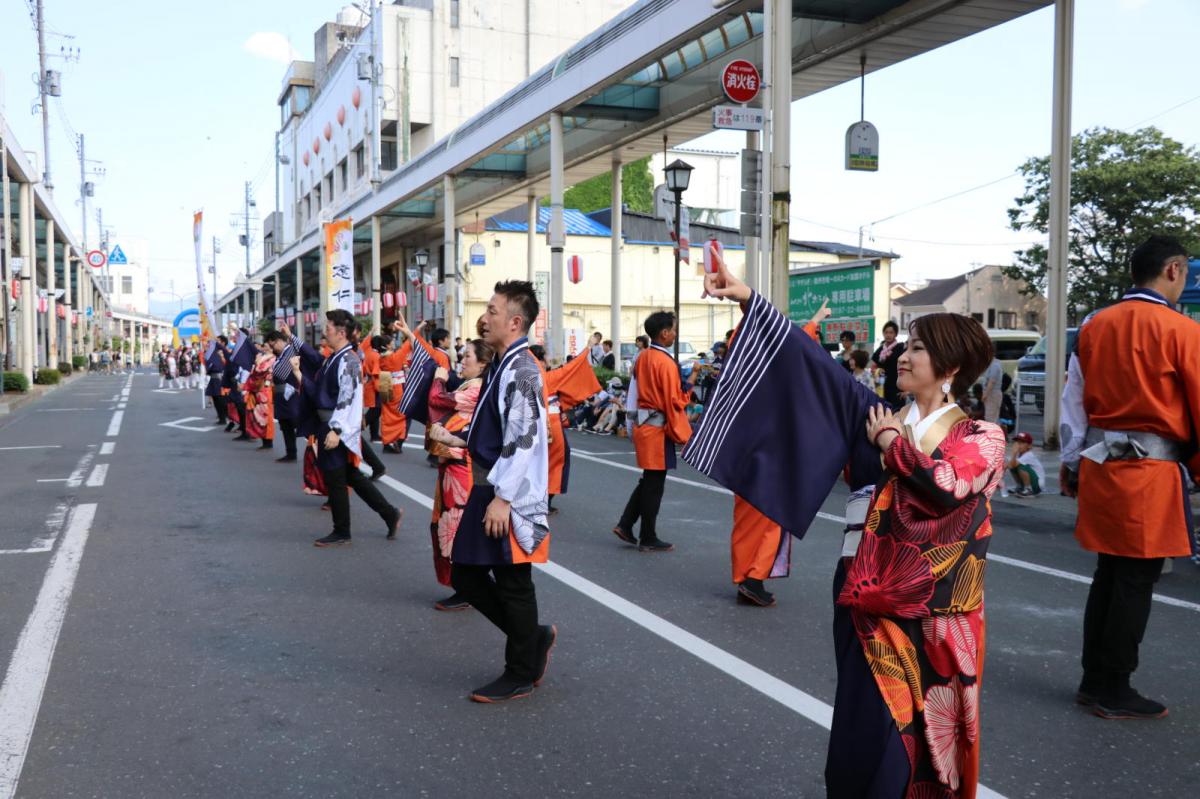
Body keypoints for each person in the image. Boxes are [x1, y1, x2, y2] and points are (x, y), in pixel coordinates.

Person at [692, 257, 1003, 798]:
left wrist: (890, 444)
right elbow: (812, 366)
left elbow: (949, 484)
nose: (902, 356)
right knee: (861, 734)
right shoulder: (877, 414)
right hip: (863, 596)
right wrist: (748, 299)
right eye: (906, 346)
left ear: (950, 366)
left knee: (913, 741)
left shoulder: (980, 436)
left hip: (934, 615)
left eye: (917, 348)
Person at [1060, 234, 1200, 721]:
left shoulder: (1093, 325)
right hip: (1150, 471)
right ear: (1173, 270)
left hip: (1101, 464)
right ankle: (1115, 686)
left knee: (1109, 573)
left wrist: (1072, 463)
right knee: (1136, 579)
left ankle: (1093, 680)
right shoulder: (1181, 330)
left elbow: (1073, 401)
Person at [450, 281, 555, 703]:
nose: (484, 317)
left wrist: (504, 498)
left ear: (514, 322)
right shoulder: (502, 363)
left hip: (506, 489)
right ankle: (532, 639)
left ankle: (520, 671)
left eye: (492, 310)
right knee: (465, 573)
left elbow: (524, 439)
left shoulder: (523, 369)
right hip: (490, 483)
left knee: (513, 579)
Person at [296, 310, 402, 548]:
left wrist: (336, 430)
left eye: (328, 327)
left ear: (341, 332)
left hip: (336, 425)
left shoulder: (348, 359)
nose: (324, 331)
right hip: (330, 423)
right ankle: (389, 513)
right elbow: (324, 392)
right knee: (351, 476)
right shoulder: (335, 357)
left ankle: (342, 531)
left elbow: (348, 398)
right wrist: (298, 374)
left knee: (336, 479)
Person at [613, 311, 699, 552]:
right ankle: (647, 536)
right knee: (654, 485)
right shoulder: (665, 362)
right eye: (673, 330)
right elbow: (675, 400)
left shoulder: (643, 357)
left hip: (643, 423)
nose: (675, 334)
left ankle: (626, 524)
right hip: (658, 428)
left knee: (649, 481)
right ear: (664, 333)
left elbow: (635, 391)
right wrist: (692, 379)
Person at [424, 338, 493, 610]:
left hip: (461, 468)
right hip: (453, 465)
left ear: (483, 364)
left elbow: (437, 399)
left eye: (468, 357)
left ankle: (467, 589)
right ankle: (467, 587)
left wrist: (439, 380)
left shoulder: (476, 389)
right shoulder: (471, 385)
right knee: (447, 524)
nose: (462, 361)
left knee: (454, 527)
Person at [531, 344, 600, 513]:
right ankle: (544, 502)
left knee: (536, 463)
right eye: (545, 357)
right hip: (550, 424)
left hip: (533, 423)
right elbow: (571, 368)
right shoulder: (547, 377)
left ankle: (535, 499)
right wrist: (588, 347)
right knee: (556, 463)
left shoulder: (525, 377)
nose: (548, 360)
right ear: (540, 360)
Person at [224, 326, 256, 441]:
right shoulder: (238, 347)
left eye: (237, 334)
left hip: (243, 382)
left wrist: (242, 382)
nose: (235, 336)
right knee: (239, 406)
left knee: (243, 407)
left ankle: (247, 432)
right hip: (237, 380)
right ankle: (243, 430)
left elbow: (246, 366)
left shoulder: (245, 347)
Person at [244, 343, 276, 450]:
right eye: (265, 345)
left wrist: (257, 363)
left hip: (265, 389)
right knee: (258, 415)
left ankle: (268, 441)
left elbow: (260, 371)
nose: (265, 347)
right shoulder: (262, 357)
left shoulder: (272, 358)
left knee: (265, 415)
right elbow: (255, 371)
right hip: (258, 389)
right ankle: (264, 440)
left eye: (267, 346)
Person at [871, 320, 907, 408]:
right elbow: (873, 367)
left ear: (896, 334)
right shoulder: (880, 350)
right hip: (881, 388)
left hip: (897, 388)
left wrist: (907, 389)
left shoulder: (901, 348)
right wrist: (876, 371)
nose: (888, 335)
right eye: (886, 332)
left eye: (891, 332)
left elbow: (907, 367)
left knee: (897, 412)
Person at [1007, 431, 1044, 498]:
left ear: (1029, 446)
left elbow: (1013, 465)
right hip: (1033, 481)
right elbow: (1010, 466)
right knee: (1013, 466)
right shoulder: (1019, 455)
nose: (1019, 445)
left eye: (1022, 443)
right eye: (1017, 443)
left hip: (1038, 484)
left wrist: (1014, 453)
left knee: (1021, 466)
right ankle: (1020, 487)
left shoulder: (1029, 455)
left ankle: (1029, 489)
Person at [205, 338, 229, 427]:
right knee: (215, 398)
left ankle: (225, 416)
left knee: (221, 399)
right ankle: (221, 417)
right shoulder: (211, 353)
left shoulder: (224, 352)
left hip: (221, 378)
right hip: (213, 378)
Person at [979, 356, 1004, 424]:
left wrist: (985, 395)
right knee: (992, 417)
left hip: (992, 394)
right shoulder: (992, 365)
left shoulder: (994, 366)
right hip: (991, 394)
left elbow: (992, 382)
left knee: (990, 418)